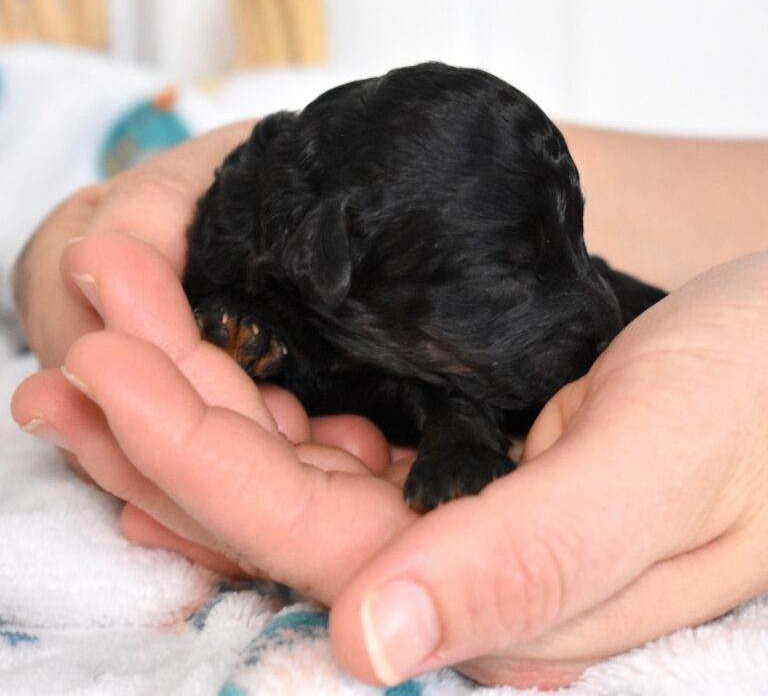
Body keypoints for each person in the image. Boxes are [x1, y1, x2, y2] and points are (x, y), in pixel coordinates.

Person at [10, 121, 768, 690]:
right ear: (327, 260)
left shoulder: (399, 247)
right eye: (505, 282)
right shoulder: (265, 236)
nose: (587, 308)